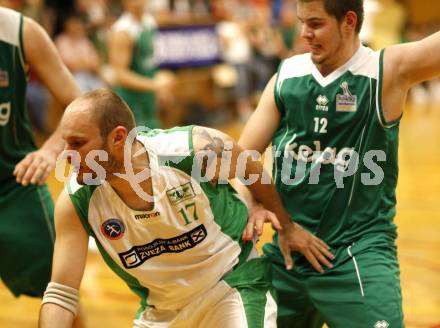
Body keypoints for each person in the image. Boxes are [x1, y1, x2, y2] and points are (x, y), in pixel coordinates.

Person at [38, 89, 333, 328]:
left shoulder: (189, 150)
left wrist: (279, 220)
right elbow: (61, 293)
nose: (67, 156)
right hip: (162, 311)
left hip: (229, 286)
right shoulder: (76, 201)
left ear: (117, 138)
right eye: (65, 144)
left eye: (77, 144)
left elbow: (252, 169)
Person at [238, 0, 440, 327]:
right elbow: (242, 158)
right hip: (289, 253)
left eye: (316, 24)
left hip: (355, 254)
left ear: (348, 21)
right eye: (302, 22)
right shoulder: (288, 75)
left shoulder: (384, 71)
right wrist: (251, 201)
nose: (304, 33)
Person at [0, 5, 83, 325]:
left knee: (60, 296)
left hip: (16, 184)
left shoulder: (20, 31)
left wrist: (50, 150)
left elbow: (78, 105)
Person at [108, 0, 174, 128]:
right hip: (131, 103)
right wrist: (155, 85)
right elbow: (120, 75)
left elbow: (149, 61)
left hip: (148, 100)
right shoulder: (122, 31)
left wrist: (160, 88)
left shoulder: (149, 22)